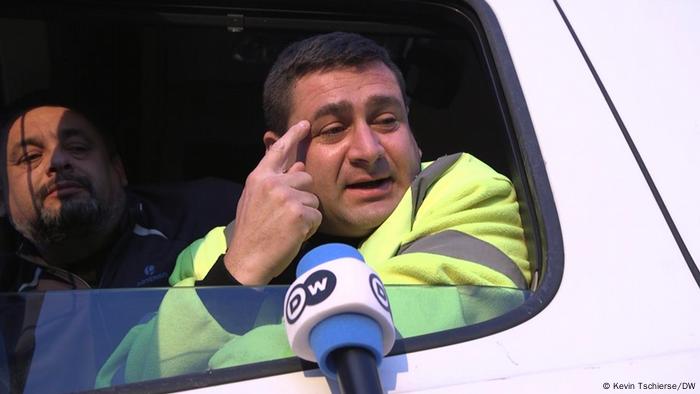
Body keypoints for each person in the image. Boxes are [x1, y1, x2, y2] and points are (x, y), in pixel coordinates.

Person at [95, 32, 530, 386]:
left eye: (386, 120)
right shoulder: (213, 253)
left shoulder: (465, 186)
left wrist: (227, 359)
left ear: (413, 135)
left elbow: (460, 313)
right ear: (281, 154)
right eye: (333, 129)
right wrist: (239, 268)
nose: (368, 149)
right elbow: (121, 379)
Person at [0, 97, 242, 392]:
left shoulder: (207, 212)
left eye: (78, 148)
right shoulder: (8, 287)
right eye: (29, 158)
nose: (57, 161)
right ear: (3, 198)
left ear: (118, 170)